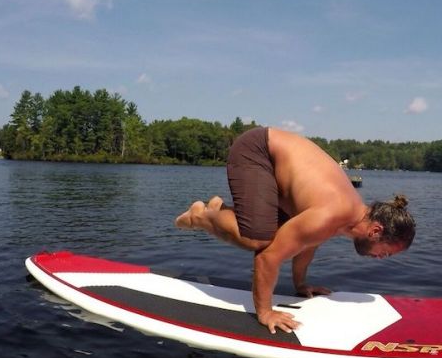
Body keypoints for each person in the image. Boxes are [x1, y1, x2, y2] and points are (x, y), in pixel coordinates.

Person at [175, 126, 415, 334]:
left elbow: (308, 242)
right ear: (375, 231)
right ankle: (201, 216)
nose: (382, 258)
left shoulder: (347, 216)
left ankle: (221, 210)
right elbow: (268, 259)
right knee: (259, 241)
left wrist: (301, 285)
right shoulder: (331, 214)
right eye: (386, 252)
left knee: (278, 236)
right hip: (258, 151)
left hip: (279, 169)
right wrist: (265, 312)